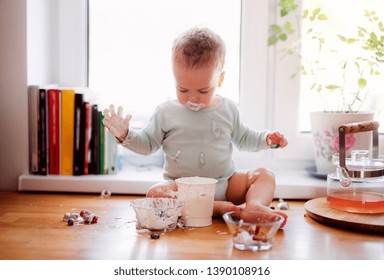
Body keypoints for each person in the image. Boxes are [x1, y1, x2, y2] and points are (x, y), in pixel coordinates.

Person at [102, 27, 288, 228]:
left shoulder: (228, 109)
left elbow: (244, 138)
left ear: (220, 79)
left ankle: (254, 206)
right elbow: (147, 144)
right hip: (182, 190)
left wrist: (267, 139)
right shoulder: (166, 112)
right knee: (155, 193)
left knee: (265, 175)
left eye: (203, 90)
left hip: (225, 184)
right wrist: (124, 135)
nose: (192, 98)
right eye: (182, 89)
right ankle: (215, 208)